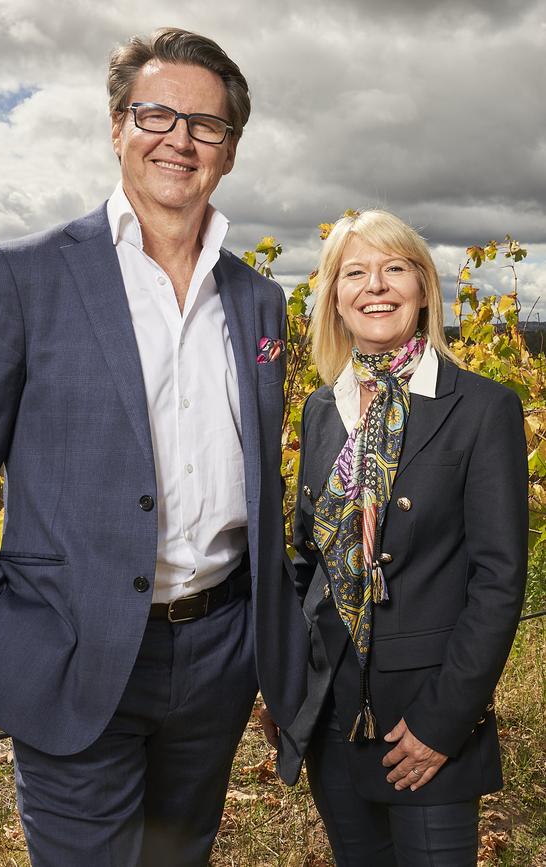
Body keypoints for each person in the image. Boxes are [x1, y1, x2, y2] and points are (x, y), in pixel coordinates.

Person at [0, 27, 308, 867]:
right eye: (155, 114)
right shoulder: (24, 278)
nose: (180, 139)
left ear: (229, 153)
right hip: (67, 652)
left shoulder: (261, 300)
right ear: (117, 128)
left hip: (219, 654)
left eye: (206, 126)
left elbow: (265, 483)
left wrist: (267, 647)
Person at [262, 209, 528, 866]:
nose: (375, 285)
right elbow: (306, 562)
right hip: (330, 720)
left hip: (425, 722)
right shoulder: (324, 409)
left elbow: (498, 581)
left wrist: (447, 720)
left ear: (422, 287)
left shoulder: (482, 408)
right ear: (336, 296)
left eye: (394, 268)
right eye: (355, 272)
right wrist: (285, 685)